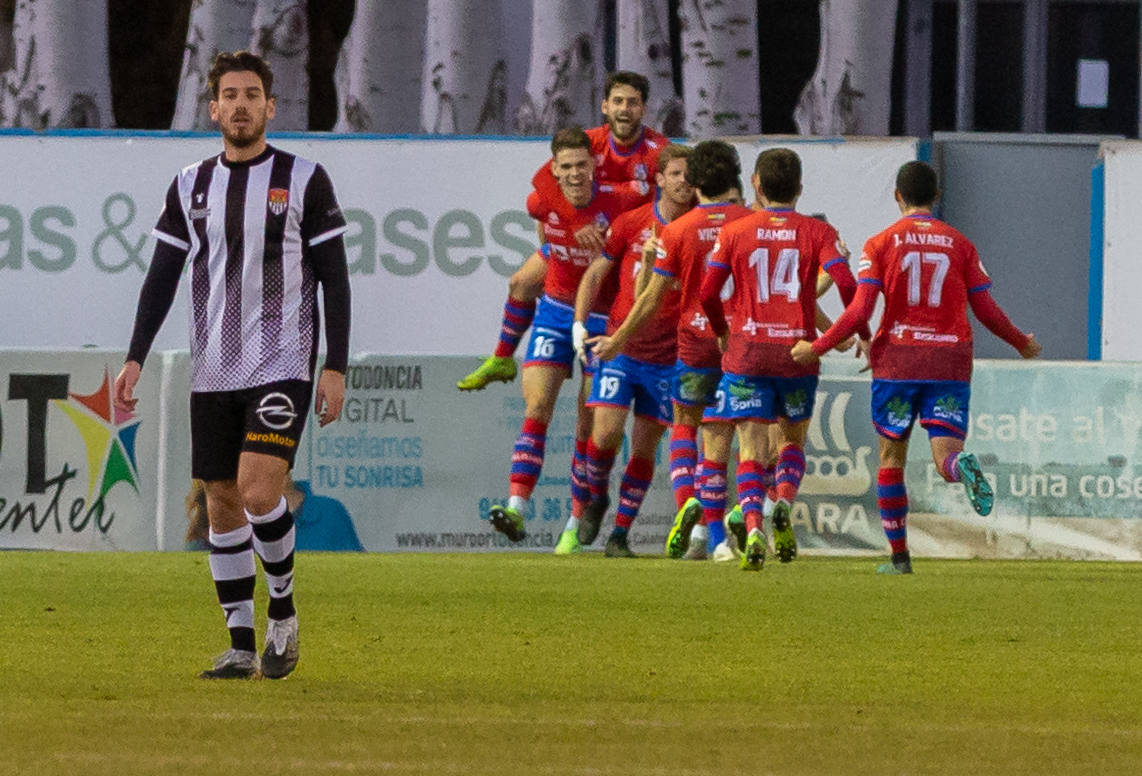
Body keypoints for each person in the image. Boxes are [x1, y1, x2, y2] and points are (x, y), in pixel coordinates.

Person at [113, 51, 350, 679]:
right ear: (213, 107)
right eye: (229, 95)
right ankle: (242, 646)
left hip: (282, 362)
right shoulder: (190, 183)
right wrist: (135, 356)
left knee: (257, 490)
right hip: (214, 368)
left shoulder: (304, 178)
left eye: (252, 95)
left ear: (270, 107)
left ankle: (284, 616)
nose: (240, 105)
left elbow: (334, 278)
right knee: (220, 500)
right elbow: (163, 275)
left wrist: (337, 366)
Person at [792, 160, 1042, 574]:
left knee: (891, 457)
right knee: (946, 456)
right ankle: (960, 468)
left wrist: (815, 347)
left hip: (899, 362)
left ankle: (899, 558)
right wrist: (1021, 342)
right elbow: (984, 308)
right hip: (949, 360)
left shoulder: (880, 244)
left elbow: (858, 313)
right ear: (936, 198)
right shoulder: (961, 244)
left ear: (897, 197)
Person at [701, 147, 864, 571]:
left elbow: (706, 292)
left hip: (748, 352)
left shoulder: (736, 230)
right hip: (797, 353)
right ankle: (783, 504)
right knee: (791, 443)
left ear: (756, 184)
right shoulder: (816, 232)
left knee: (751, 448)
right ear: (800, 188)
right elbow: (846, 280)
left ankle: (753, 527)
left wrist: (722, 330)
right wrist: (853, 330)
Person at [457, 71, 669, 391]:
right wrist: (574, 223)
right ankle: (502, 358)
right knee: (521, 281)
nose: (625, 109)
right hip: (580, 234)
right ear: (605, 107)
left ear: (643, 110)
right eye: (618, 102)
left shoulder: (658, 151)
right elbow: (544, 183)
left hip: (625, 245)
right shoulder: (590, 141)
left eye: (633, 103)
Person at [595, 140, 752, 561]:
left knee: (685, 426)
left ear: (697, 180)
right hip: (740, 346)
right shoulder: (751, 223)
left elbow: (648, 298)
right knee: (731, 438)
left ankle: (694, 512)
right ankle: (723, 533)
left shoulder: (678, 230)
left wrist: (618, 338)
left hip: (693, 346)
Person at [487, 127, 645, 543]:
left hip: (603, 320)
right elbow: (547, 234)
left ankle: (575, 521)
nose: (575, 174)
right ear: (554, 169)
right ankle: (516, 507)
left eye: (581, 164)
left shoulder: (624, 199)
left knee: (587, 423)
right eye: (566, 166)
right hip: (556, 311)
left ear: (594, 165)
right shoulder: (540, 201)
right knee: (537, 406)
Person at [558, 144, 694, 557]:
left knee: (643, 448)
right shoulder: (632, 222)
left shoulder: (695, 232)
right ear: (660, 179)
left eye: (689, 176)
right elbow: (595, 273)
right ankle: (596, 494)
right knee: (604, 436)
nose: (683, 182)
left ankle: (620, 534)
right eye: (675, 174)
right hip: (621, 345)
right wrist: (580, 323)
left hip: (667, 357)